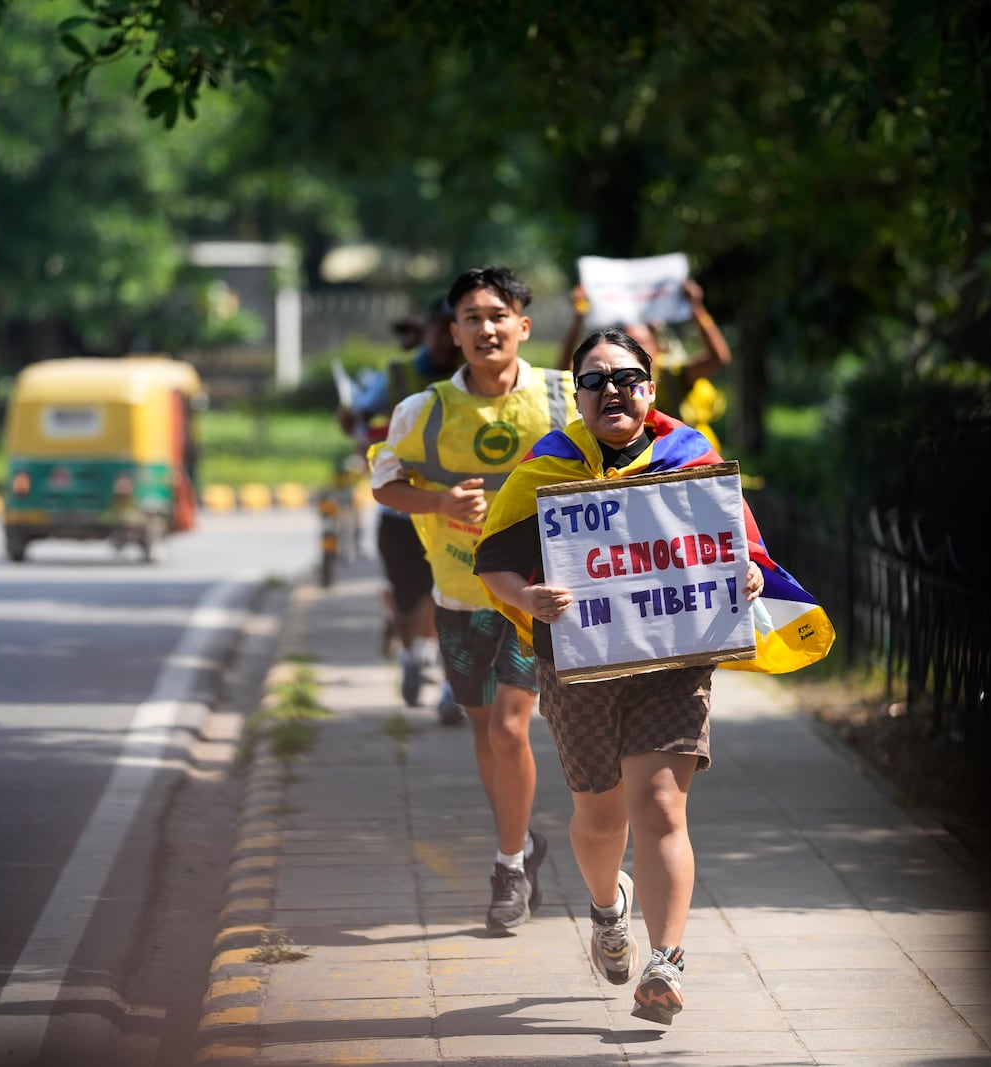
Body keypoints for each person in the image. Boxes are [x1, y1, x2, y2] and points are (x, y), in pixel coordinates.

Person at [475, 327, 832, 1024]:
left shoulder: (689, 458)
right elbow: (493, 562)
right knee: (600, 815)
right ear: (576, 395)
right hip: (578, 666)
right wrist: (525, 597)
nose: (613, 391)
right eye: (596, 380)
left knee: (663, 805)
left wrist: (751, 574)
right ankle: (609, 907)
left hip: (674, 660)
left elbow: (743, 551)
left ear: (650, 387)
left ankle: (666, 961)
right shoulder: (546, 468)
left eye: (628, 378)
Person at [368, 265, 579, 931]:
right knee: (487, 734)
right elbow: (383, 483)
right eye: (471, 318)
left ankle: (508, 868)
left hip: (530, 602)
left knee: (513, 727)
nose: (485, 328)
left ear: (523, 325)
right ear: (452, 333)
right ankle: (521, 841)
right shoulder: (422, 411)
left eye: (498, 315)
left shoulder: (564, 398)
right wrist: (437, 501)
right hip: (458, 596)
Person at [344, 297, 464, 724]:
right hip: (400, 512)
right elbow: (358, 416)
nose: (449, 341)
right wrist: (357, 429)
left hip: (458, 516)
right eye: (442, 330)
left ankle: (452, 687)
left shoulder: (481, 379)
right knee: (407, 597)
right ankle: (412, 656)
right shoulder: (397, 376)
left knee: (452, 599)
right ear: (429, 332)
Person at [556, 275, 732, 449]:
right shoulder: (608, 382)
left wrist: (697, 309)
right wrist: (578, 316)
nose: (633, 351)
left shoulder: (672, 374)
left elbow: (718, 358)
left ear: (651, 390)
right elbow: (565, 373)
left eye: (640, 343)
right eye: (626, 344)